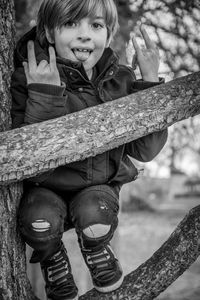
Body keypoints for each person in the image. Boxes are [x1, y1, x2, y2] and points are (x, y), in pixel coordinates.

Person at [11, 0, 168, 299]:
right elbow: (32, 159)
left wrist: (148, 83)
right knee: (37, 221)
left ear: (108, 36)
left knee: (94, 214)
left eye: (96, 26)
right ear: (48, 31)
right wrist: (44, 93)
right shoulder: (27, 77)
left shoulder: (119, 80)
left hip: (97, 187)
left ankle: (96, 248)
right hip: (44, 186)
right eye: (71, 24)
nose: (85, 35)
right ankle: (52, 258)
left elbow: (145, 151)